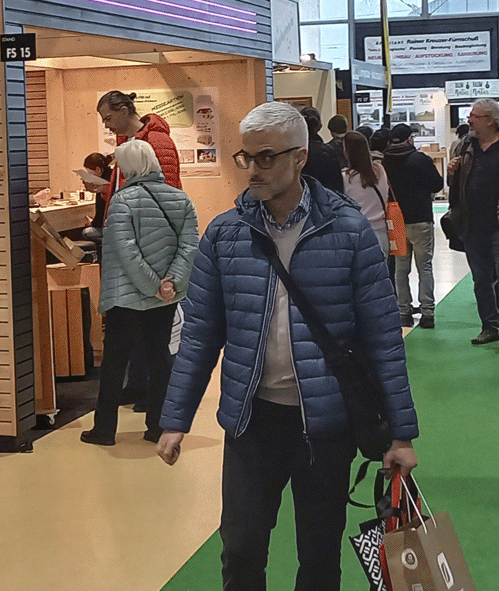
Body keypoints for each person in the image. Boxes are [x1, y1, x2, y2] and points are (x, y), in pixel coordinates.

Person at [157, 101, 419, 591]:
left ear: (299, 158)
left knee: (318, 556)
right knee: (240, 549)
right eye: (246, 157)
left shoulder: (347, 231)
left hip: (327, 424)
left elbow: (383, 338)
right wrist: (175, 419)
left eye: (266, 157)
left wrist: (401, 435)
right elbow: (200, 334)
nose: (252, 169)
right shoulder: (225, 234)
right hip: (251, 422)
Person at [82, 140, 198, 446]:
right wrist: (169, 284)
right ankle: (158, 427)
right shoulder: (180, 199)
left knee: (114, 362)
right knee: (159, 358)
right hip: (166, 296)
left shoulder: (122, 201)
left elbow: (126, 251)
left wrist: (151, 286)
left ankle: (104, 429)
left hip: (126, 296)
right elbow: (189, 246)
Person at [446, 98, 499, 350]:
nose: (469, 120)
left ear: (490, 121)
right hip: (472, 223)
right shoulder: (464, 146)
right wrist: (451, 172)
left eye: (474, 116)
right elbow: (454, 184)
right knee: (480, 279)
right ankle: (489, 326)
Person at [382, 123, 444, 327]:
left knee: (400, 269)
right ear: (409, 139)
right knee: (424, 267)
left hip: (396, 221)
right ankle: (427, 312)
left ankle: (403, 312)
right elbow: (437, 184)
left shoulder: (384, 162)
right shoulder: (419, 159)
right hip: (420, 218)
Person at [82, 91, 182, 202]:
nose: (106, 125)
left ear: (124, 111)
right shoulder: (125, 142)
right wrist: (104, 189)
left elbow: (166, 192)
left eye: (108, 118)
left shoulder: (157, 140)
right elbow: (126, 188)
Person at [338, 131, 391, 263]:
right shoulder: (380, 170)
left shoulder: (346, 178)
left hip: (358, 233)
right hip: (382, 232)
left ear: (347, 152)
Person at [298, 106, 347, 195]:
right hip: (325, 199)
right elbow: (337, 188)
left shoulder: (293, 152)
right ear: (320, 126)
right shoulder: (327, 152)